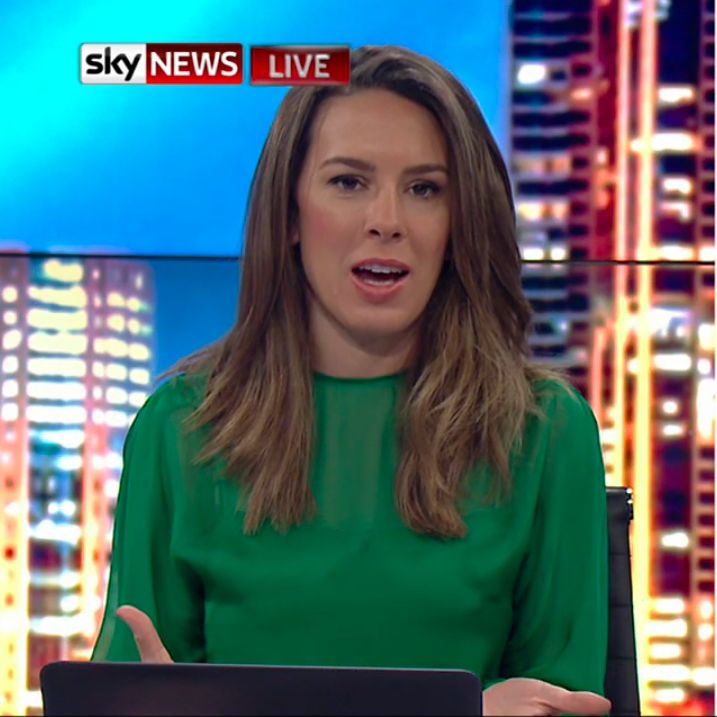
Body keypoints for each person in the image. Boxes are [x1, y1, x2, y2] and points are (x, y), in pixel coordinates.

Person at [91, 46, 611, 716]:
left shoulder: (543, 430)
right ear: (288, 215)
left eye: (424, 189)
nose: (386, 220)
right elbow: (124, 690)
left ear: (458, 225)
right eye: (348, 182)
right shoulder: (181, 427)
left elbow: (564, 700)